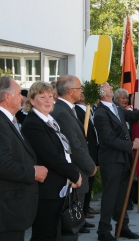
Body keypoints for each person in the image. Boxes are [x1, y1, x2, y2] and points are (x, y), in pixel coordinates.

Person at [21, 81, 82, 241]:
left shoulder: (49, 120)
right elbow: (52, 156)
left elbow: (64, 151)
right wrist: (74, 174)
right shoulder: (33, 123)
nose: (48, 100)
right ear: (32, 101)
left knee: (53, 232)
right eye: (42, 97)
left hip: (58, 186)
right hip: (46, 190)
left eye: (50, 96)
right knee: (44, 234)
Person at [94, 82, 139, 241]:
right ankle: (103, 231)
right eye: (107, 86)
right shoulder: (100, 112)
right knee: (110, 196)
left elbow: (132, 117)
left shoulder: (114, 106)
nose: (110, 87)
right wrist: (131, 145)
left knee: (123, 195)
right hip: (111, 160)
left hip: (123, 159)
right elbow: (108, 139)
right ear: (101, 92)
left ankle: (123, 226)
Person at [0, 76, 48, 241]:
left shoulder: (8, 120)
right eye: (20, 94)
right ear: (7, 97)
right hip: (7, 210)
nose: (23, 98)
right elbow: (3, 165)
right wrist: (33, 172)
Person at [51, 75, 97, 238]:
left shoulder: (66, 109)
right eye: (79, 88)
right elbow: (74, 146)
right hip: (73, 175)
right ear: (70, 91)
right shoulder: (62, 113)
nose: (81, 91)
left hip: (75, 174)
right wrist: (90, 166)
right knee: (70, 228)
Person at [75, 92, 100, 221]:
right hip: (86, 151)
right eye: (82, 93)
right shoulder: (77, 111)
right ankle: (81, 215)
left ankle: (86, 209)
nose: (83, 95)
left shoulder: (89, 110)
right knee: (85, 183)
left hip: (93, 150)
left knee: (89, 183)